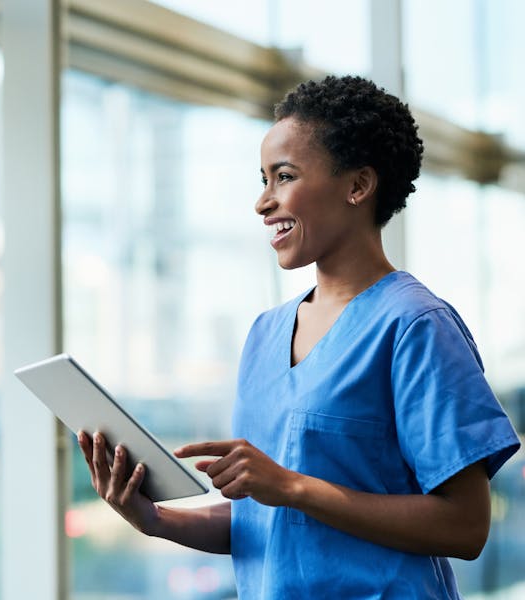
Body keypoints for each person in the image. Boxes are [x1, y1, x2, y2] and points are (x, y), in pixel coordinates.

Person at [77, 75, 521, 598]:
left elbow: (466, 528)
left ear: (357, 186)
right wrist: (154, 519)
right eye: (262, 180)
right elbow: (265, 525)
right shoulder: (265, 335)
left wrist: (292, 486)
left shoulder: (415, 327)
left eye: (283, 177)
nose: (263, 203)